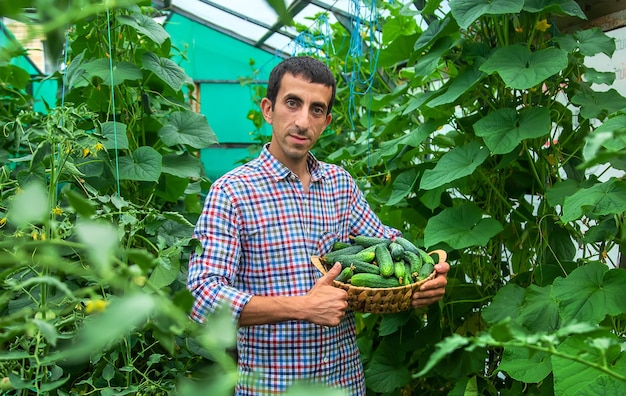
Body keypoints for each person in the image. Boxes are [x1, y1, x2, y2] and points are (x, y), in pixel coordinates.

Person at [187, 56, 450, 395]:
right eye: (292, 103)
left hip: (344, 383)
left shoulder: (340, 184)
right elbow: (202, 296)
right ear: (269, 109)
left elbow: (388, 244)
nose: (302, 121)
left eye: (316, 109)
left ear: (326, 121)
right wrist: (302, 306)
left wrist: (423, 279)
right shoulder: (232, 192)